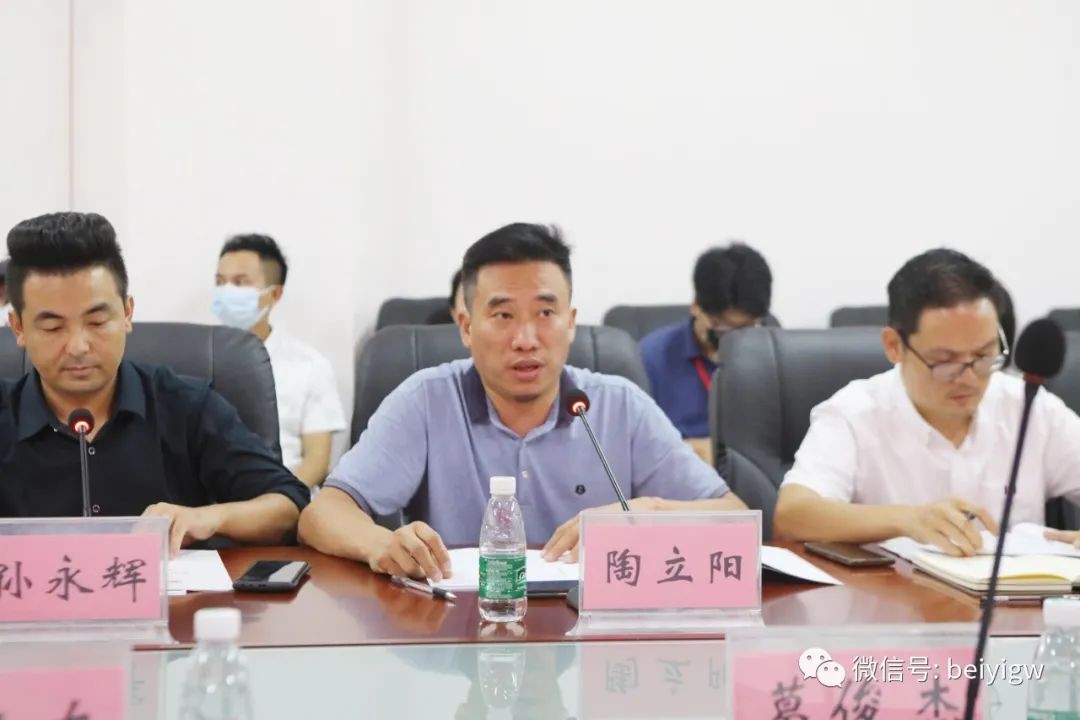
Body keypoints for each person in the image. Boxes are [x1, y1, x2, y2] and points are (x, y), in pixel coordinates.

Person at [299, 223, 746, 580]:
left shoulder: (620, 407)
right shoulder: (426, 400)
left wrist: (648, 514)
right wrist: (382, 544)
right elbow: (322, 513)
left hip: (592, 639)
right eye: (503, 315)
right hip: (462, 629)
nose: (526, 339)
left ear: (571, 322)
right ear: (466, 327)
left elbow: (734, 517)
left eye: (546, 313)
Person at [1, 212, 308, 552]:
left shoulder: (186, 405)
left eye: (97, 321)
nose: (78, 346)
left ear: (127, 313)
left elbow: (288, 507)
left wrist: (207, 518)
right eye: (53, 327)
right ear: (18, 328)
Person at [773, 248, 1080, 555]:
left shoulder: (1029, 408)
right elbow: (792, 515)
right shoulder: (854, 414)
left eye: (984, 355)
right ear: (894, 346)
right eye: (945, 362)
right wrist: (908, 519)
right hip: (896, 586)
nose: (969, 378)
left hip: (1017, 586)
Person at [214, 234, 346, 489]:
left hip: (285, 495)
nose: (226, 291)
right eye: (220, 282)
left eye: (240, 283)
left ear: (274, 294)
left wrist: (279, 498)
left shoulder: (309, 365)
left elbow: (317, 460)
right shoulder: (197, 358)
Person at [639, 243, 772, 461]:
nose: (733, 338)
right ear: (696, 306)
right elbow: (636, 446)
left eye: (745, 329)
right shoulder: (650, 358)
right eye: (721, 327)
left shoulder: (775, 359)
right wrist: (688, 450)